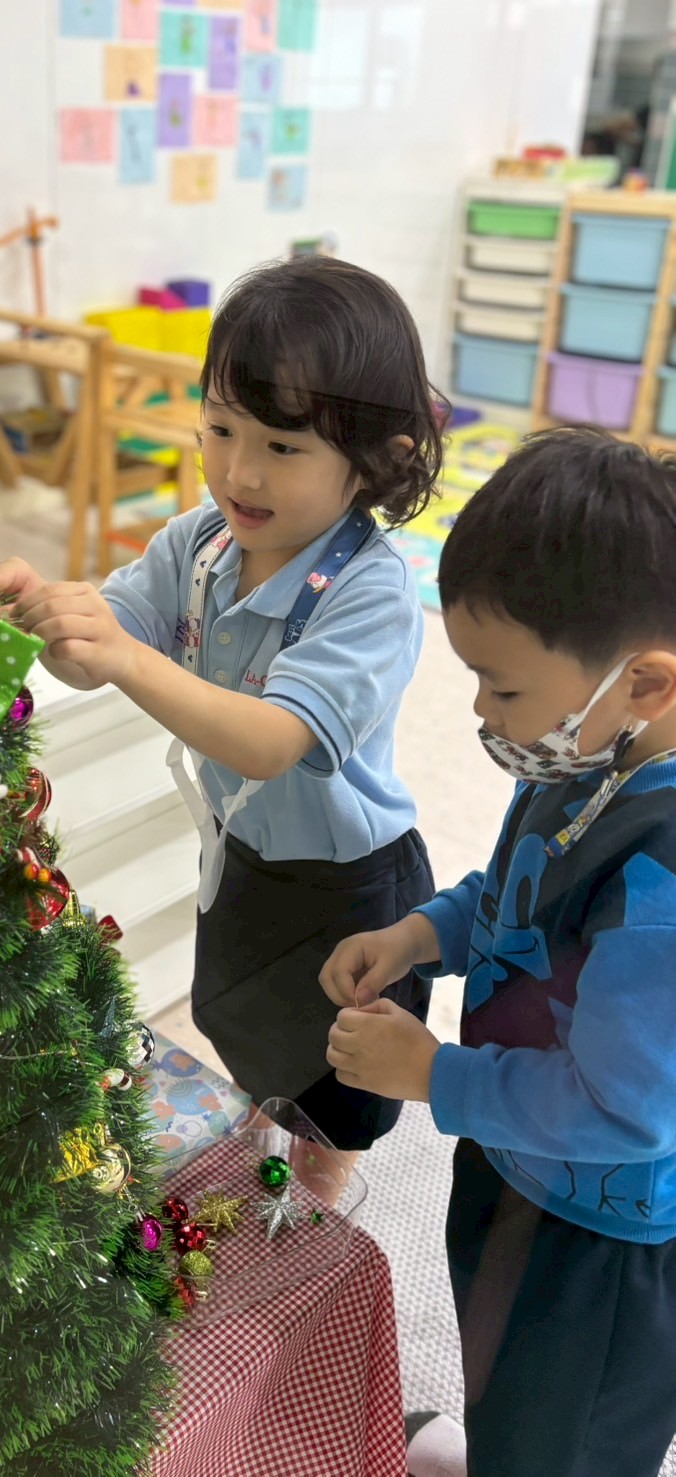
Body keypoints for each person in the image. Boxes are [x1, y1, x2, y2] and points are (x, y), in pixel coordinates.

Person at [0, 254, 440, 1164]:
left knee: (336, 1088)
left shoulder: (373, 592)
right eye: (221, 427)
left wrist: (123, 655)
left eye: (283, 448)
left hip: (348, 887)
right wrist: (49, 615)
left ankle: (317, 1199)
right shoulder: (197, 541)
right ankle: (269, 1151)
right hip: (240, 859)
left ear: (375, 463)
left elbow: (271, 741)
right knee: (247, 1033)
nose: (239, 471)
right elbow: (102, 648)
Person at [321, 428, 676, 1477]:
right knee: (502, 1383)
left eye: (504, 689)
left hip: (598, 1244)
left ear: (646, 682)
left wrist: (435, 1075)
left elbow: (627, 1111)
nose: (480, 710)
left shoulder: (662, 884)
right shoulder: (586, 751)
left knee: (565, 1440)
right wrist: (420, 932)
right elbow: (517, 890)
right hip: (516, 1156)